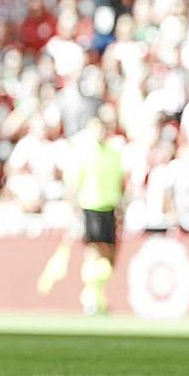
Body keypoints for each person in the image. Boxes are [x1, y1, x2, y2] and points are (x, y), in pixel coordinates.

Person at [65, 117, 125, 315]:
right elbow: (73, 184)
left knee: (109, 257)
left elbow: (120, 182)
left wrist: (121, 205)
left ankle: (98, 296)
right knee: (94, 253)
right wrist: (75, 211)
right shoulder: (84, 153)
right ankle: (91, 299)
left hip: (110, 208)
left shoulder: (113, 153)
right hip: (90, 206)